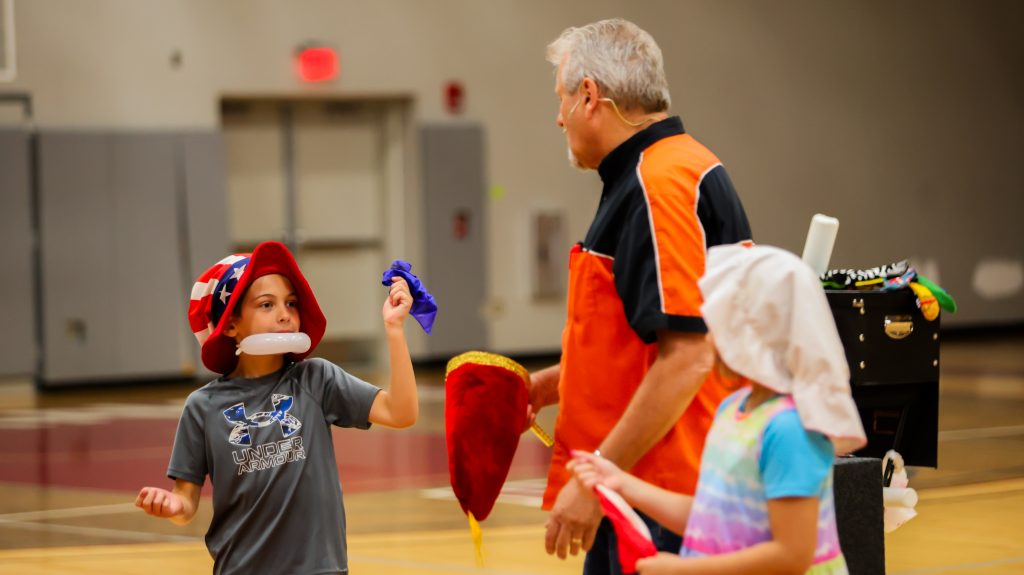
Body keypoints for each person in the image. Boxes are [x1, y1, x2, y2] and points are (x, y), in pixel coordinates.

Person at [527, 18, 753, 574]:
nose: (558, 118)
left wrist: (599, 474)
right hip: (652, 485)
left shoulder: (661, 183)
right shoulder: (663, 170)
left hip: (663, 492)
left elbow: (689, 357)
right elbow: (647, 341)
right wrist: (549, 385)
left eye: (561, 99)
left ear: (589, 96)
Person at [569, 244, 868, 574]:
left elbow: (791, 555)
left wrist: (682, 570)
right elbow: (709, 518)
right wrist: (622, 483)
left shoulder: (790, 431)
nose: (709, 335)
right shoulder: (733, 410)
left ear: (754, 335)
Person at [134, 241, 419, 575]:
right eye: (266, 304)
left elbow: (400, 412)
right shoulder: (203, 407)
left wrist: (394, 329)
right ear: (230, 324)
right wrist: (172, 505)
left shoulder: (316, 379)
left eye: (291, 303)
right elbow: (185, 502)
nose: (285, 314)